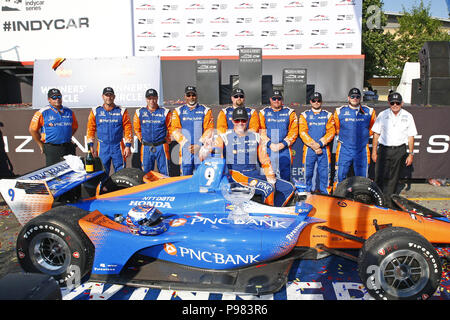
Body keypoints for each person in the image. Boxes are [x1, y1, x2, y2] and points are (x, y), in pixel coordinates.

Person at [201, 106, 295, 207]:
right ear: (232, 121)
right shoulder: (224, 137)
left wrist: (271, 178)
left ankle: (276, 210)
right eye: (237, 120)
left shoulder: (256, 137)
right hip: (236, 176)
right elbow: (204, 158)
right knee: (268, 188)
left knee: (288, 187)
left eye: (243, 120)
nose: (240, 123)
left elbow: (265, 161)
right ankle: (267, 217)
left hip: (254, 174)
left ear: (247, 120)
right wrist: (205, 149)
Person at [371, 92, 417, 208]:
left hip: (399, 150)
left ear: (402, 103)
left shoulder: (408, 116)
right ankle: (377, 200)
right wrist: (374, 152)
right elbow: (376, 134)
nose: (395, 105)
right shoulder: (382, 115)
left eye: (397, 103)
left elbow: (411, 136)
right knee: (379, 176)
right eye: (392, 103)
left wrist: (411, 154)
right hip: (383, 149)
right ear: (389, 103)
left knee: (394, 178)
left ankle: (388, 202)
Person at [333, 88, 376, 188]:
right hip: (344, 148)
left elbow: (373, 128)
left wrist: (363, 136)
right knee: (340, 175)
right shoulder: (340, 111)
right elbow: (337, 128)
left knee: (362, 178)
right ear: (348, 98)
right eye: (352, 96)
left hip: (362, 149)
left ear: (360, 98)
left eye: (357, 97)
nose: (355, 98)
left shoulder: (369, 111)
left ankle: (361, 199)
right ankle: (338, 198)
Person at [86, 87, 133, 175]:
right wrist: (90, 146)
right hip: (103, 146)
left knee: (121, 172)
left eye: (110, 95)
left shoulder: (121, 111)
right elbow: (90, 129)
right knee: (102, 172)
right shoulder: (96, 111)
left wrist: (128, 146)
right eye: (107, 95)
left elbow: (128, 128)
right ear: (103, 96)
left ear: (114, 97)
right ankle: (103, 188)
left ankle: (120, 189)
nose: (109, 97)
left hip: (118, 146)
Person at [170, 86, 214, 175]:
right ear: (185, 96)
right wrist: (186, 143)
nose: (191, 97)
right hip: (185, 149)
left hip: (201, 149)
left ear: (196, 96)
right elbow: (174, 129)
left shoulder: (205, 110)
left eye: (193, 95)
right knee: (185, 177)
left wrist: (199, 144)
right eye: (188, 95)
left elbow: (209, 129)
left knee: (201, 175)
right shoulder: (178, 111)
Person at [29, 88, 78, 166]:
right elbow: (32, 130)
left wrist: (65, 137)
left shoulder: (69, 111)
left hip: (68, 147)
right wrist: (41, 144)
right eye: (54, 97)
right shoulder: (42, 112)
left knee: (72, 171)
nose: (57, 99)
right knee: (53, 174)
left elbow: (74, 127)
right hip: (52, 148)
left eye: (59, 97)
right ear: (49, 99)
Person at [299, 92, 335, 194]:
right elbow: (302, 132)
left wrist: (319, 144)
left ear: (321, 102)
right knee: (307, 174)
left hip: (323, 148)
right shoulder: (304, 115)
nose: (316, 102)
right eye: (314, 100)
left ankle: (325, 196)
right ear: (310, 102)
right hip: (309, 149)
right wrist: (314, 146)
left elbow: (331, 132)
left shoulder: (328, 115)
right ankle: (306, 195)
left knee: (325, 175)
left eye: (318, 100)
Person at [259, 90, 298, 181]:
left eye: (279, 98)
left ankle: (285, 194)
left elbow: (294, 131)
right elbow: (261, 131)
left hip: (284, 149)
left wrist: (283, 144)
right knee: (269, 176)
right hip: (269, 148)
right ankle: (270, 194)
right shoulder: (263, 112)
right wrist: (269, 144)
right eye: (274, 98)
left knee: (286, 176)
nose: (276, 100)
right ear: (270, 100)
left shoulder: (290, 112)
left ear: (282, 100)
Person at [133, 89, 171, 175]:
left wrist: (167, 139)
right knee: (146, 173)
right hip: (146, 147)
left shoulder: (165, 112)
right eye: (149, 98)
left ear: (157, 98)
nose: (152, 101)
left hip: (161, 146)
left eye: (154, 98)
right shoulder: (140, 112)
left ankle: (165, 188)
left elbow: (171, 128)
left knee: (165, 172)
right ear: (146, 99)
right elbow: (136, 128)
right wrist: (141, 139)